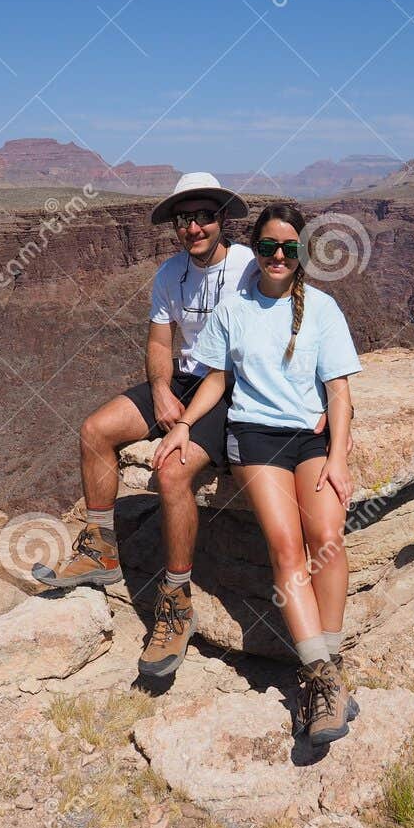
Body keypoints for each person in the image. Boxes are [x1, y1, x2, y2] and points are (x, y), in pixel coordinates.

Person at [152, 203, 363, 745]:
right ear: (257, 249)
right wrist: (184, 426)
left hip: (310, 439)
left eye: (289, 248)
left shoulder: (322, 308)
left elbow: (338, 391)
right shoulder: (235, 310)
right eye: (267, 246)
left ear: (302, 254)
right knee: (287, 547)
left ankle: (329, 669)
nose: (277, 256)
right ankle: (318, 678)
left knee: (327, 539)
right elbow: (217, 379)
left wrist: (338, 456)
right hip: (255, 438)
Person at [33, 172, 255, 679]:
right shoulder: (169, 274)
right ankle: (101, 549)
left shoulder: (246, 266)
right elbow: (160, 343)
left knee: (172, 474)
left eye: (204, 216)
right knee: (94, 431)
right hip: (183, 379)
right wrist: (159, 389)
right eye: (184, 219)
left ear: (222, 219)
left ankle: (175, 601)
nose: (194, 227)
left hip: (230, 387)